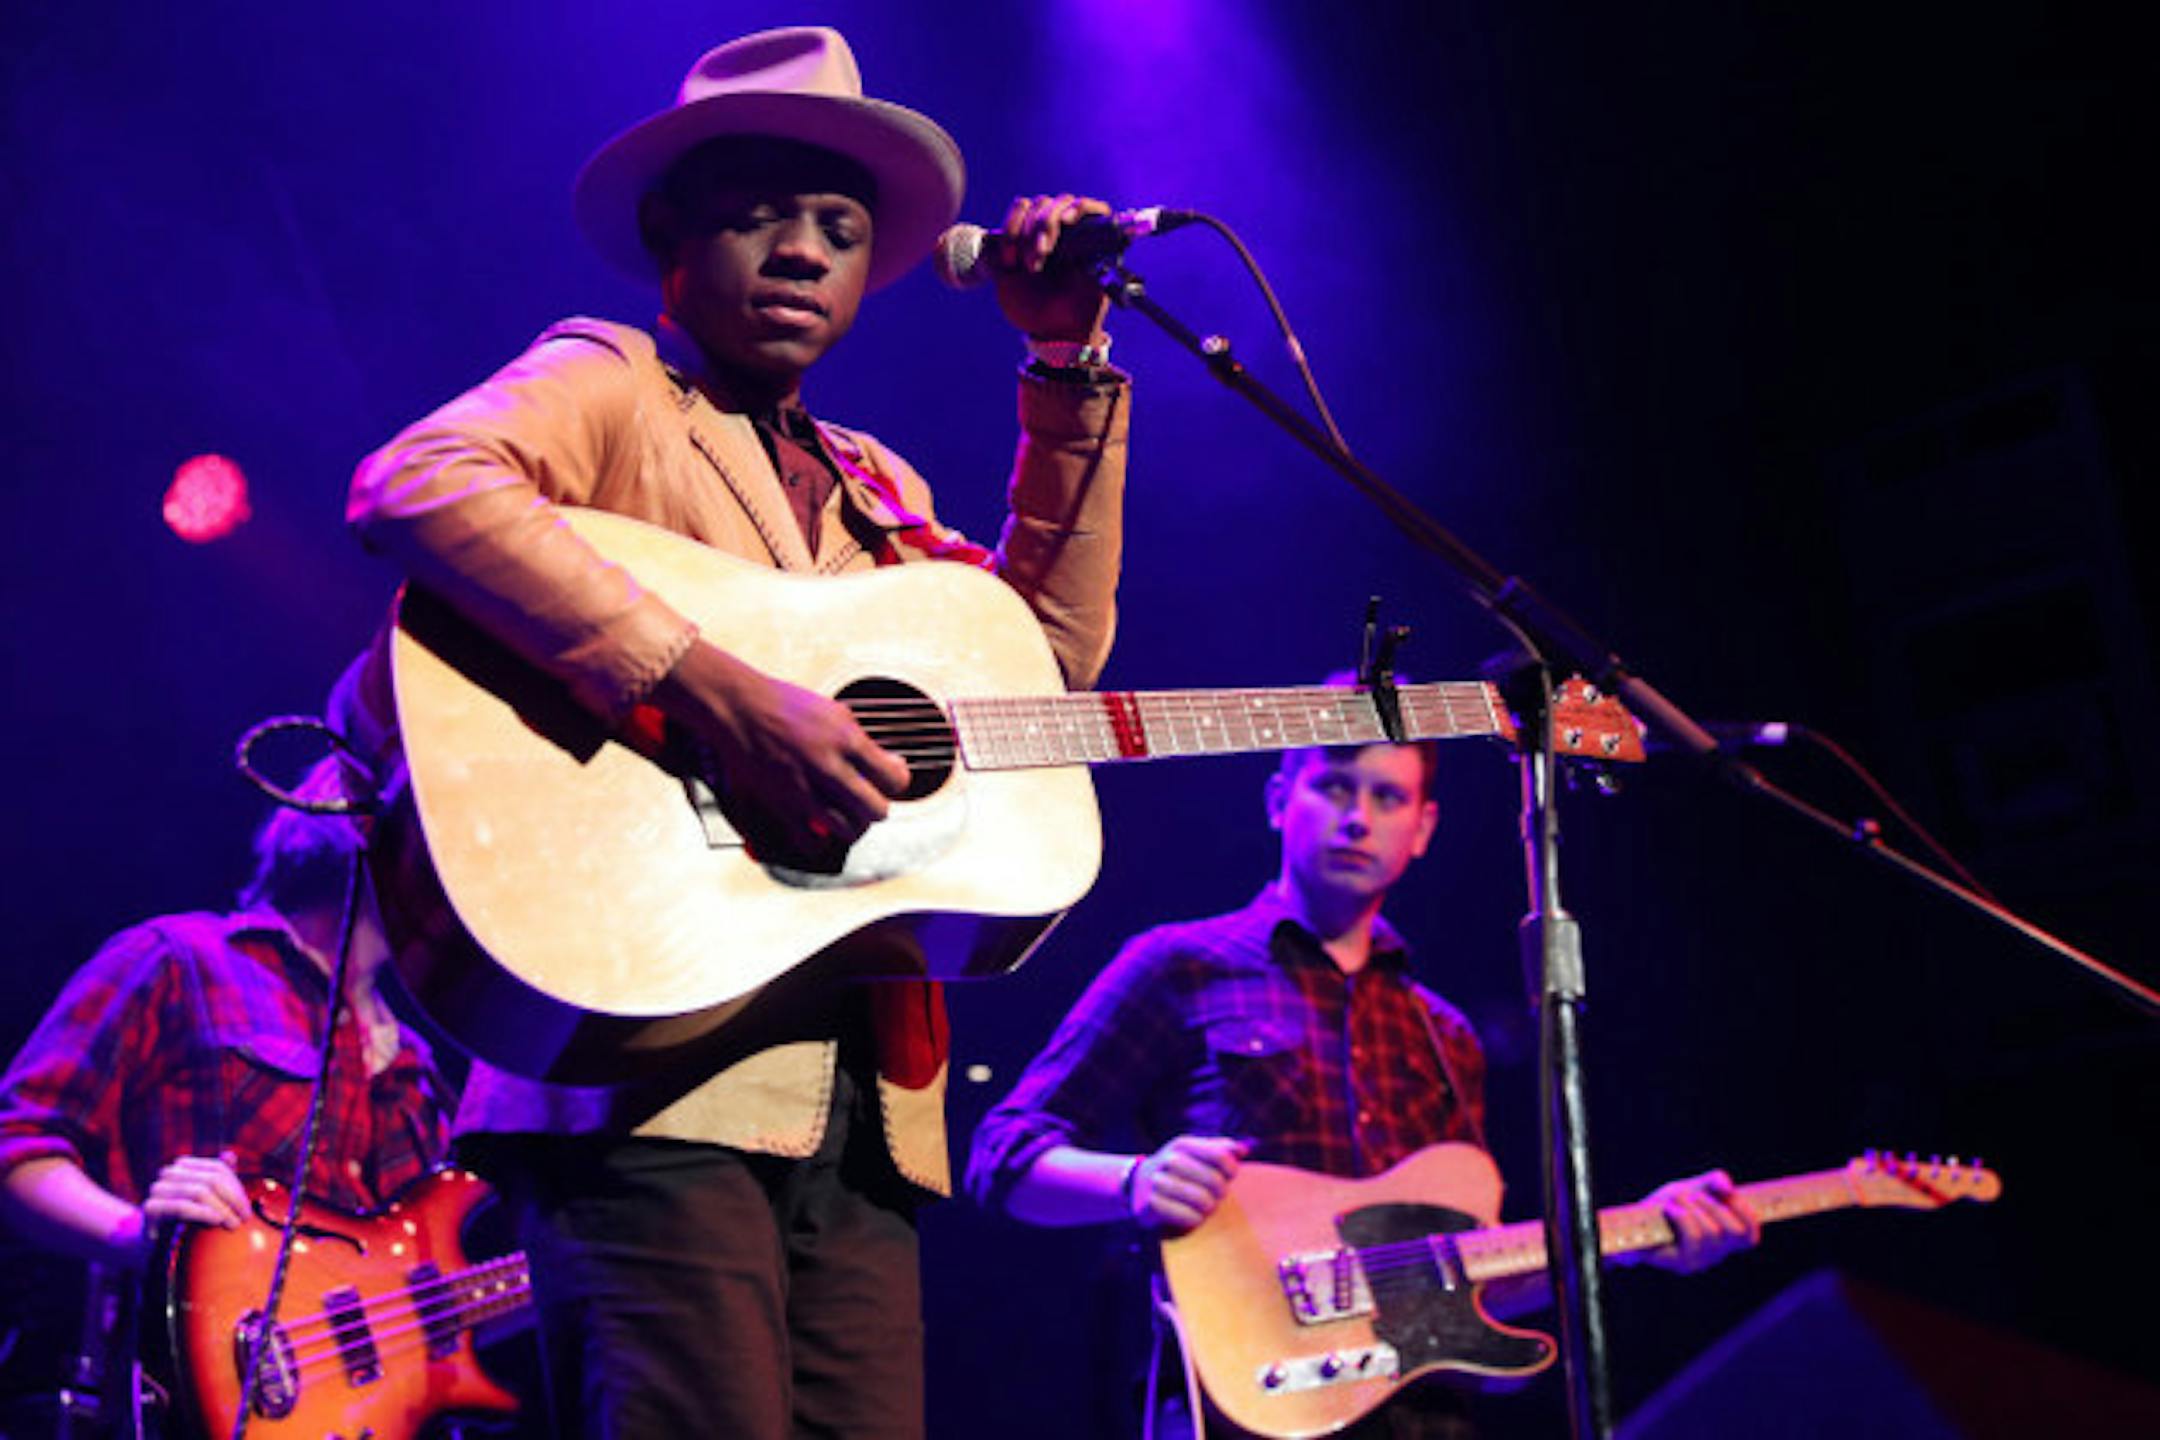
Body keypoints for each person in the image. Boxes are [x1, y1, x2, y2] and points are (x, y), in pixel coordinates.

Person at [330, 25, 1128, 1440]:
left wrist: (1066, 367)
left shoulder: (882, 485)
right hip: (639, 1061)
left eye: (839, 227)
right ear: (671, 239)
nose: (806, 251)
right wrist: (713, 688)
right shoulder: (617, 383)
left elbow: (1040, 673)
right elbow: (419, 481)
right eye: (762, 214)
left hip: (868, 1101)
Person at [966, 730, 1760, 1438]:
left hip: (1423, 1420)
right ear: (1282, 800)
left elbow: (1466, 1283)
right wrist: (1136, 1181)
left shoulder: (1444, 1034)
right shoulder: (1180, 965)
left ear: (1422, 830)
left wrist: (1631, 1242)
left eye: (1388, 797)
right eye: (1334, 786)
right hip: (1238, 1408)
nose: (1357, 817)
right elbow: (1001, 1154)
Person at [0, 754, 454, 1428]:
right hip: (174, 1397)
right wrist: (138, 1235)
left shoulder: (415, 1060)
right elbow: (17, 1145)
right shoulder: (178, 958)